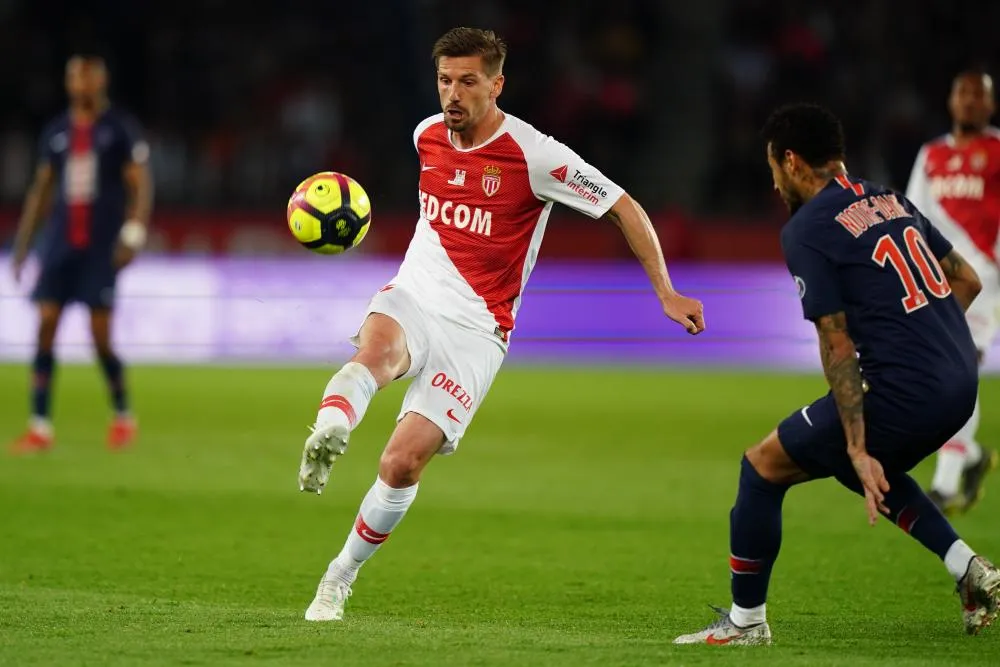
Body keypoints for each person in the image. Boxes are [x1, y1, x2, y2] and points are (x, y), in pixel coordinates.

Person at [298, 27, 705, 622]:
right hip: (415, 295)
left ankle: (339, 575)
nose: (452, 94)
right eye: (444, 80)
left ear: (496, 85)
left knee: (401, 464)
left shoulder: (535, 155)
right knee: (377, 355)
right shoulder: (426, 136)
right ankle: (332, 426)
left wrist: (665, 291)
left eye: (467, 82)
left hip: (478, 330)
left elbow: (622, 206)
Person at [674, 103, 1000, 646]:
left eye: (773, 169)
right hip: (961, 382)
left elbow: (836, 341)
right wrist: (928, 342)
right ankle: (967, 568)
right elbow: (966, 280)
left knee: (762, 467)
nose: (774, 184)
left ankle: (746, 623)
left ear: (792, 161)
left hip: (908, 390)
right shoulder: (889, 199)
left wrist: (856, 442)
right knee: (853, 467)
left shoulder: (808, 228)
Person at [9, 51, 153, 453]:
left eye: (88, 76)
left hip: (100, 247)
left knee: (100, 335)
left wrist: (134, 232)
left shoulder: (119, 129)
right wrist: (22, 245)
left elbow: (140, 183)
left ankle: (123, 416)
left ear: (101, 81)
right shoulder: (57, 131)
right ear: (69, 83)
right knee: (46, 324)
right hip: (59, 245)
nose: (82, 84)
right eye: (76, 77)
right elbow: (42, 190)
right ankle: (40, 425)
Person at [906, 69, 1000, 514]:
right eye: (963, 93)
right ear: (950, 101)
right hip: (937, 281)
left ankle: (944, 486)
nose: (969, 101)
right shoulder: (931, 155)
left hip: (986, 280)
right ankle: (973, 457)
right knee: (937, 375)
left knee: (962, 366)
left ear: (991, 104)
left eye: (978, 95)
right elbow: (912, 216)